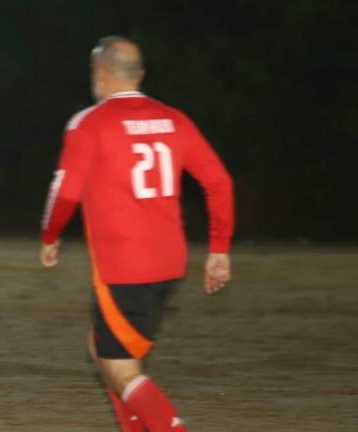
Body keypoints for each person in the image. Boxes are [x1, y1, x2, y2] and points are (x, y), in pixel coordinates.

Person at [39, 36, 234, 432]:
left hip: (124, 268)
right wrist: (219, 249)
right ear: (139, 74)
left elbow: (66, 192)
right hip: (169, 263)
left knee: (121, 369)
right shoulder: (175, 119)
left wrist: (50, 235)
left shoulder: (89, 123)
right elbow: (219, 182)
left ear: (99, 72)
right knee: (101, 348)